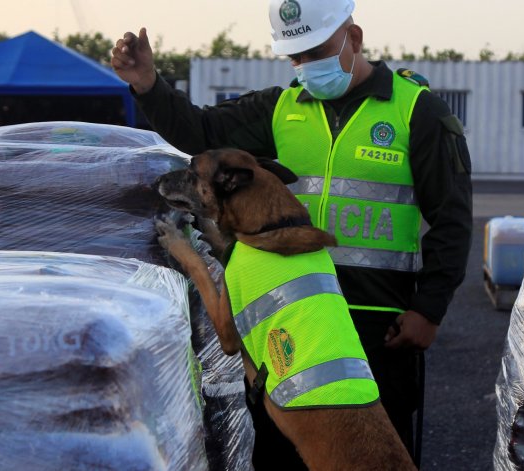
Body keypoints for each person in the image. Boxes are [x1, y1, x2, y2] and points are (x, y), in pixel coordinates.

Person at [111, 0, 472, 467]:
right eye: (295, 56)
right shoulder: (279, 109)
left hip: (377, 325)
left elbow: (452, 217)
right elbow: (200, 131)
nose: (304, 65)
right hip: (289, 320)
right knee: (282, 455)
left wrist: (429, 308)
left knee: (371, 456)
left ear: (354, 38)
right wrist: (147, 83)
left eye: (315, 52)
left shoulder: (417, 112)